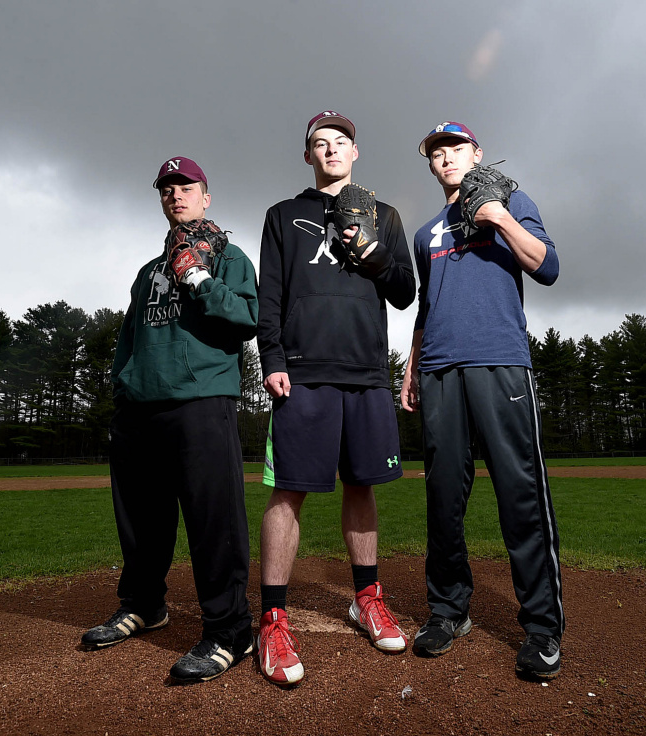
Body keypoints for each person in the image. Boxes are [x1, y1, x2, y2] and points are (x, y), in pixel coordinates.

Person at [80, 156, 259, 684]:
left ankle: (230, 630)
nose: (175, 195)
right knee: (141, 520)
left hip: (199, 402)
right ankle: (144, 605)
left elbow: (247, 319)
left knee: (213, 521)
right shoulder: (148, 271)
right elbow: (130, 338)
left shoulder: (230, 258)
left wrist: (199, 276)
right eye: (166, 189)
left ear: (206, 196)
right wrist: (123, 386)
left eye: (186, 187)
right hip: (140, 408)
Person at [255, 111, 416, 686]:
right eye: (318, 144)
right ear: (307, 156)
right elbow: (267, 295)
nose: (330, 151)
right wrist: (270, 359)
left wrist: (372, 251)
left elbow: (403, 292)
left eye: (339, 143)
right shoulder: (283, 215)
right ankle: (272, 618)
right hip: (302, 372)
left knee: (362, 484)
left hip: (367, 372)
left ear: (355, 151)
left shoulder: (386, 214)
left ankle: (366, 597)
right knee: (288, 491)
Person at [401, 122, 565, 680]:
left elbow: (548, 266)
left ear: (477, 154)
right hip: (441, 368)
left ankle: (541, 627)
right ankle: (448, 611)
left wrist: (497, 215)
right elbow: (427, 305)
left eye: (456, 148)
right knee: (443, 497)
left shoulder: (512, 200)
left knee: (520, 495)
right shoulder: (427, 233)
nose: (446, 158)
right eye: (436, 152)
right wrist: (412, 365)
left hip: (500, 362)